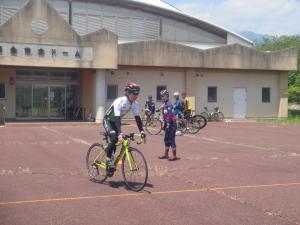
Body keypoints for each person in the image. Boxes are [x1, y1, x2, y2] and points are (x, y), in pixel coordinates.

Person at [103, 83, 146, 173]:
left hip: (115, 122)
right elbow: (118, 119)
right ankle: (107, 160)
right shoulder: (120, 101)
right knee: (114, 138)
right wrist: (120, 133)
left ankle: (111, 155)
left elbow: (137, 119)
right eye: (134, 94)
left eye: (137, 94)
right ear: (128, 93)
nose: (135, 96)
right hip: (108, 120)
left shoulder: (135, 104)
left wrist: (142, 131)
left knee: (119, 141)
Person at [159, 90, 178, 161]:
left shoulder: (169, 104)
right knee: (166, 139)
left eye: (164, 96)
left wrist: (168, 124)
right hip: (167, 123)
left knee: (171, 140)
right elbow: (163, 107)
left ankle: (174, 156)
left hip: (172, 124)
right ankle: (166, 154)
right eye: (162, 96)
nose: (162, 98)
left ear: (167, 96)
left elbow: (170, 115)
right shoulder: (165, 103)